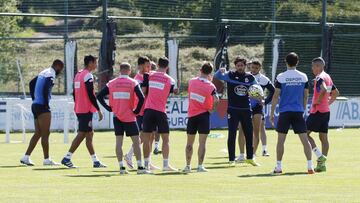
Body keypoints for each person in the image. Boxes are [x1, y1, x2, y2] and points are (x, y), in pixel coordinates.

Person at [97, 62, 151, 174]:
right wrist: (136, 110)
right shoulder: (133, 82)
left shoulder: (111, 83)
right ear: (129, 71)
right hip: (130, 117)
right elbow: (141, 98)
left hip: (117, 116)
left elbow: (99, 96)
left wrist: (108, 108)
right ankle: (140, 167)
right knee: (136, 142)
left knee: (118, 143)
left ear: (120, 70)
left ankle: (121, 167)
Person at [270, 52, 314, 174]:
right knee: (305, 140)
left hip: (284, 112)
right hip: (298, 111)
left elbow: (275, 96)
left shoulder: (281, 77)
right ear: (297, 62)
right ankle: (310, 167)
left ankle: (278, 167)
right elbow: (306, 96)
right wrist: (303, 109)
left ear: (286, 62)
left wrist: (272, 112)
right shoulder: (303, 76)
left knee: (280, 141)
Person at [213, 57, 260, 167]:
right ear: (235, 66)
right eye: (238, 65)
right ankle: (231, 159)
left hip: (246, 110)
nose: (240, 67)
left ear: (245, 66)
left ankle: (250, 158)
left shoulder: (250, 77)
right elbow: (216, 76)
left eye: (242, 65)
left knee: (249, 134)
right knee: (232, 134)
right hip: (233, 110)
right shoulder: (229, 75)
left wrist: (260, 98)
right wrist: (220, 70)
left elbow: (257, 88)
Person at [61, 55, 106, 168]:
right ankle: (67, 158)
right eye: (95, 63)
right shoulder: (87, 75)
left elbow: (75, 93)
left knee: (89, 134)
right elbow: (91, 94)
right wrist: (99, 109)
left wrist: (77, 104)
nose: (96, 65)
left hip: (80, 108)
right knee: (82, 134)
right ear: (90, 63)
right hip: (85, 110)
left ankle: (95, 161)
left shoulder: (78, 74)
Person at [20, 59, 64, 166]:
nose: (60, 71)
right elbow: (45, 88)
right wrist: (45, 102)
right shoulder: (51, 73)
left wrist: (35, 98)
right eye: (61, 69)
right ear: (57, 66)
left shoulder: (44, 72)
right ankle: (46, 159)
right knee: (46, 133)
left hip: (35, 105)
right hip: (42, 106)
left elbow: (31, 83)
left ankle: (25, 157)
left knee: (38, 133)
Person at [142, 57, 179, 171]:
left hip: (148, 110)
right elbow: (175, 91)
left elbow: (144, 89)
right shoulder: (170, 80)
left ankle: (147, 165)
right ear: (167, 67)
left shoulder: (149, 75)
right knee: (166, 139)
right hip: (160, 111)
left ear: (157, 65)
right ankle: (165, 165)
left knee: (146, 139)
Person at [123, 56, 160, 170]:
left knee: (151, 135)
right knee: (144, 136)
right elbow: (143, 92)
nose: (149, 68)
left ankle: (147, 162)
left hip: (149, 109)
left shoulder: (148, 75)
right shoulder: (138, 78)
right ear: (140, 66)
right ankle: (129, 156)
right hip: (141, 111)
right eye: (147, 66)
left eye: (150, 66)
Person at [183, 62, 219, 173]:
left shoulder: (192, 81)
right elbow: (217, 99)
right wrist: (212, 109)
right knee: (202, 143)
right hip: (204, 115)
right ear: (210, 73)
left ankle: (188, 166)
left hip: (192, 115)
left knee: (189, 143)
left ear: (200, 70)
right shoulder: (211, 86)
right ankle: (199, 166)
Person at [236, 60, 275, 162]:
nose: (254, 69)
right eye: (252, 67)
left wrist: (265, 101)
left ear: (260, 68)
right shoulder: (246, 76)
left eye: (256, 68)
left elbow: (273, 90)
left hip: (257, 108)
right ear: (250, 67)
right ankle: (241, 154)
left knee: (256, 131)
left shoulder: (263, 79)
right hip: (245, 107)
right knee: (241, 130)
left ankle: (252, 154)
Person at [306, 57, 339, 172]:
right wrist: (327, 103)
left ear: (318, 66)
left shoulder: (320, 77)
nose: (312, 69)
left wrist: (318, 101)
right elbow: (335, 93)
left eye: (313, 66)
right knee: (323, 138)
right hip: (325, 111)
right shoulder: (328, 76)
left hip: (317, 111)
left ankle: (320, 156)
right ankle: (322, 164)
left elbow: (324, 89)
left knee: (304, 134)